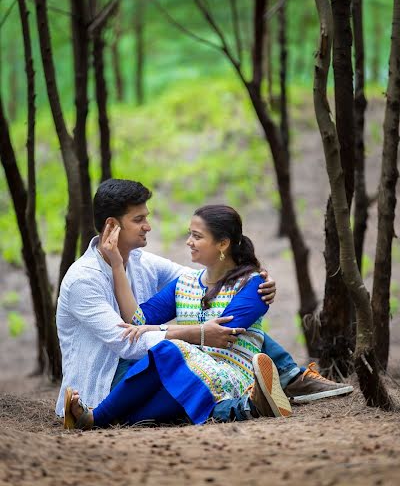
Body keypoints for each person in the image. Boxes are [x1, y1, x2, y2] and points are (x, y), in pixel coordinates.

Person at [55, 179, 352, 418]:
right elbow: (126, 338)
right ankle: (277, 386)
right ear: (112, 226)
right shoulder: (85, 279)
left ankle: (278, 384)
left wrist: (254, 278)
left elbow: (206, 282)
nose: (148, 225)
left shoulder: (141, 261)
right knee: (172, 360)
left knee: (188, 359)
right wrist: (197, 333)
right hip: (107, 379)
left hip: (150, 363)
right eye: (139, 219)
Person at [64, 204, 292, 428]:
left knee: (165, 351)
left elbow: (223, 335)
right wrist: (117, 265)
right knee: (166, 382)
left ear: (223, 243)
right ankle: (248, 407)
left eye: (196, 236)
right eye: (189, 234)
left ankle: (95, 417)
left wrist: (155, 330)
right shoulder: (185, 283)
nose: (188, 242)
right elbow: (137, 321)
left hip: (230, 374)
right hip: (188, 371)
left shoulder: (253, 285)